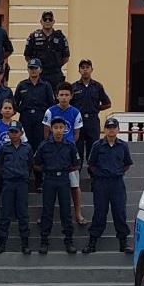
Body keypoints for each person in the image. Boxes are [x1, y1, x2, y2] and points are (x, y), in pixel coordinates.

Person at [85, 117, 134, 254]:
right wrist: (100, 174)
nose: (111, 130)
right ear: (104, 129)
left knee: (120, 212)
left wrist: (117, 172)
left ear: (118, 129)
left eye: (114, 127)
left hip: (117, 183)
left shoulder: (123, 146)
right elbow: (91, 164)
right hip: (101, 183)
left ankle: (123, 243)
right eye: (108, 127)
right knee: (99, 212)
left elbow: (127, 163)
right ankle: (92, 242)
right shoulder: (97, 145)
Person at [33, 117, 80, 254]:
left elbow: (77, 163)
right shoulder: (44, 145)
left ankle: (69, 241)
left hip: (64, 180)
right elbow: (35, 163)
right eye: (55, 128)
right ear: (51, 129)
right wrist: (48, 170)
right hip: (49, 180)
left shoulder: (70, 145)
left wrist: (64, 170)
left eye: (61, 127)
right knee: (47, 211)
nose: (58, 130)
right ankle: (44, 241)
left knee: (66, 212)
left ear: (65, 129)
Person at [43, 83, 88, 226]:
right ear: (57, 96)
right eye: (61, 95)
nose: (64, 97)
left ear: (71, 96)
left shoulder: (76, 112)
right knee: (49, 186)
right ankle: (45, 215)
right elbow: (46, 133)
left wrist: (66, 146)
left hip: (69, 152)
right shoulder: (50, 111)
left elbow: (76, 135)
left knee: (74, 185)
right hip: (52, 152)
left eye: (66, 95)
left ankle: (78, 213)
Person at [14, 58, 55, 192]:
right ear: (28, 70)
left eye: (35, 68)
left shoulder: (46, 86)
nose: (33, 71)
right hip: (25, 119)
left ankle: (39, 181)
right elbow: (15, 103)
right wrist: (23, 110)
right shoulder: (22, 85)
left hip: (40, 120)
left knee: (39, 148)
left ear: (40, 70)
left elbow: (51, 104)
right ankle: (24, 178)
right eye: (31, 68)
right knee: (25, 147)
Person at [0, 99, 28, 221]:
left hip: (14, 164)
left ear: (14, 111)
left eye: (10, 108)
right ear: (1, 110)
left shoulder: (18, 125)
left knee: (15, 191)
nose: (7, 110)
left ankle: (15, 214)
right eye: (5, 108)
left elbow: (25, 143)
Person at [0, 121, 33, 254]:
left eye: (16, 132)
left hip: (22, 183)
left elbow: (30, 165)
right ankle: (2, 243)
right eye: (11, 132)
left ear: (21, 133)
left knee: (23, 214)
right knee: (5, 214)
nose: (13, 134)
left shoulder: (27, 148)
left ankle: (25, 244)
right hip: (8, 183)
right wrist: (6, 175)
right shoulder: (4, 148)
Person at [72, 59, 112, 169]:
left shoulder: (97, 86)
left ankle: (93, 174)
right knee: (78, 149)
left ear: (92, 69)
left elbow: (108, 103)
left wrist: (95, 108)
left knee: (93, 148)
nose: (85, 70)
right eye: (82, 68)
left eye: (87, 67)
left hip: (93, 121)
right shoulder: (74, 87)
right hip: (78, 121)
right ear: (79, 70)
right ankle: (77, 173)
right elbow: (69, 105)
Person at [24, 10, 70, 87]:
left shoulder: (60, 37)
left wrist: (56, 65)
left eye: (50, 19)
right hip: (40, 74)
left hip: (55, 74)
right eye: (45, 19)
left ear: (53, 22)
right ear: (41, 22)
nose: (47, 21)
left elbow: (66, 57)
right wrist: (36, 68)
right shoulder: (33, 37)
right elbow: (27, 56)